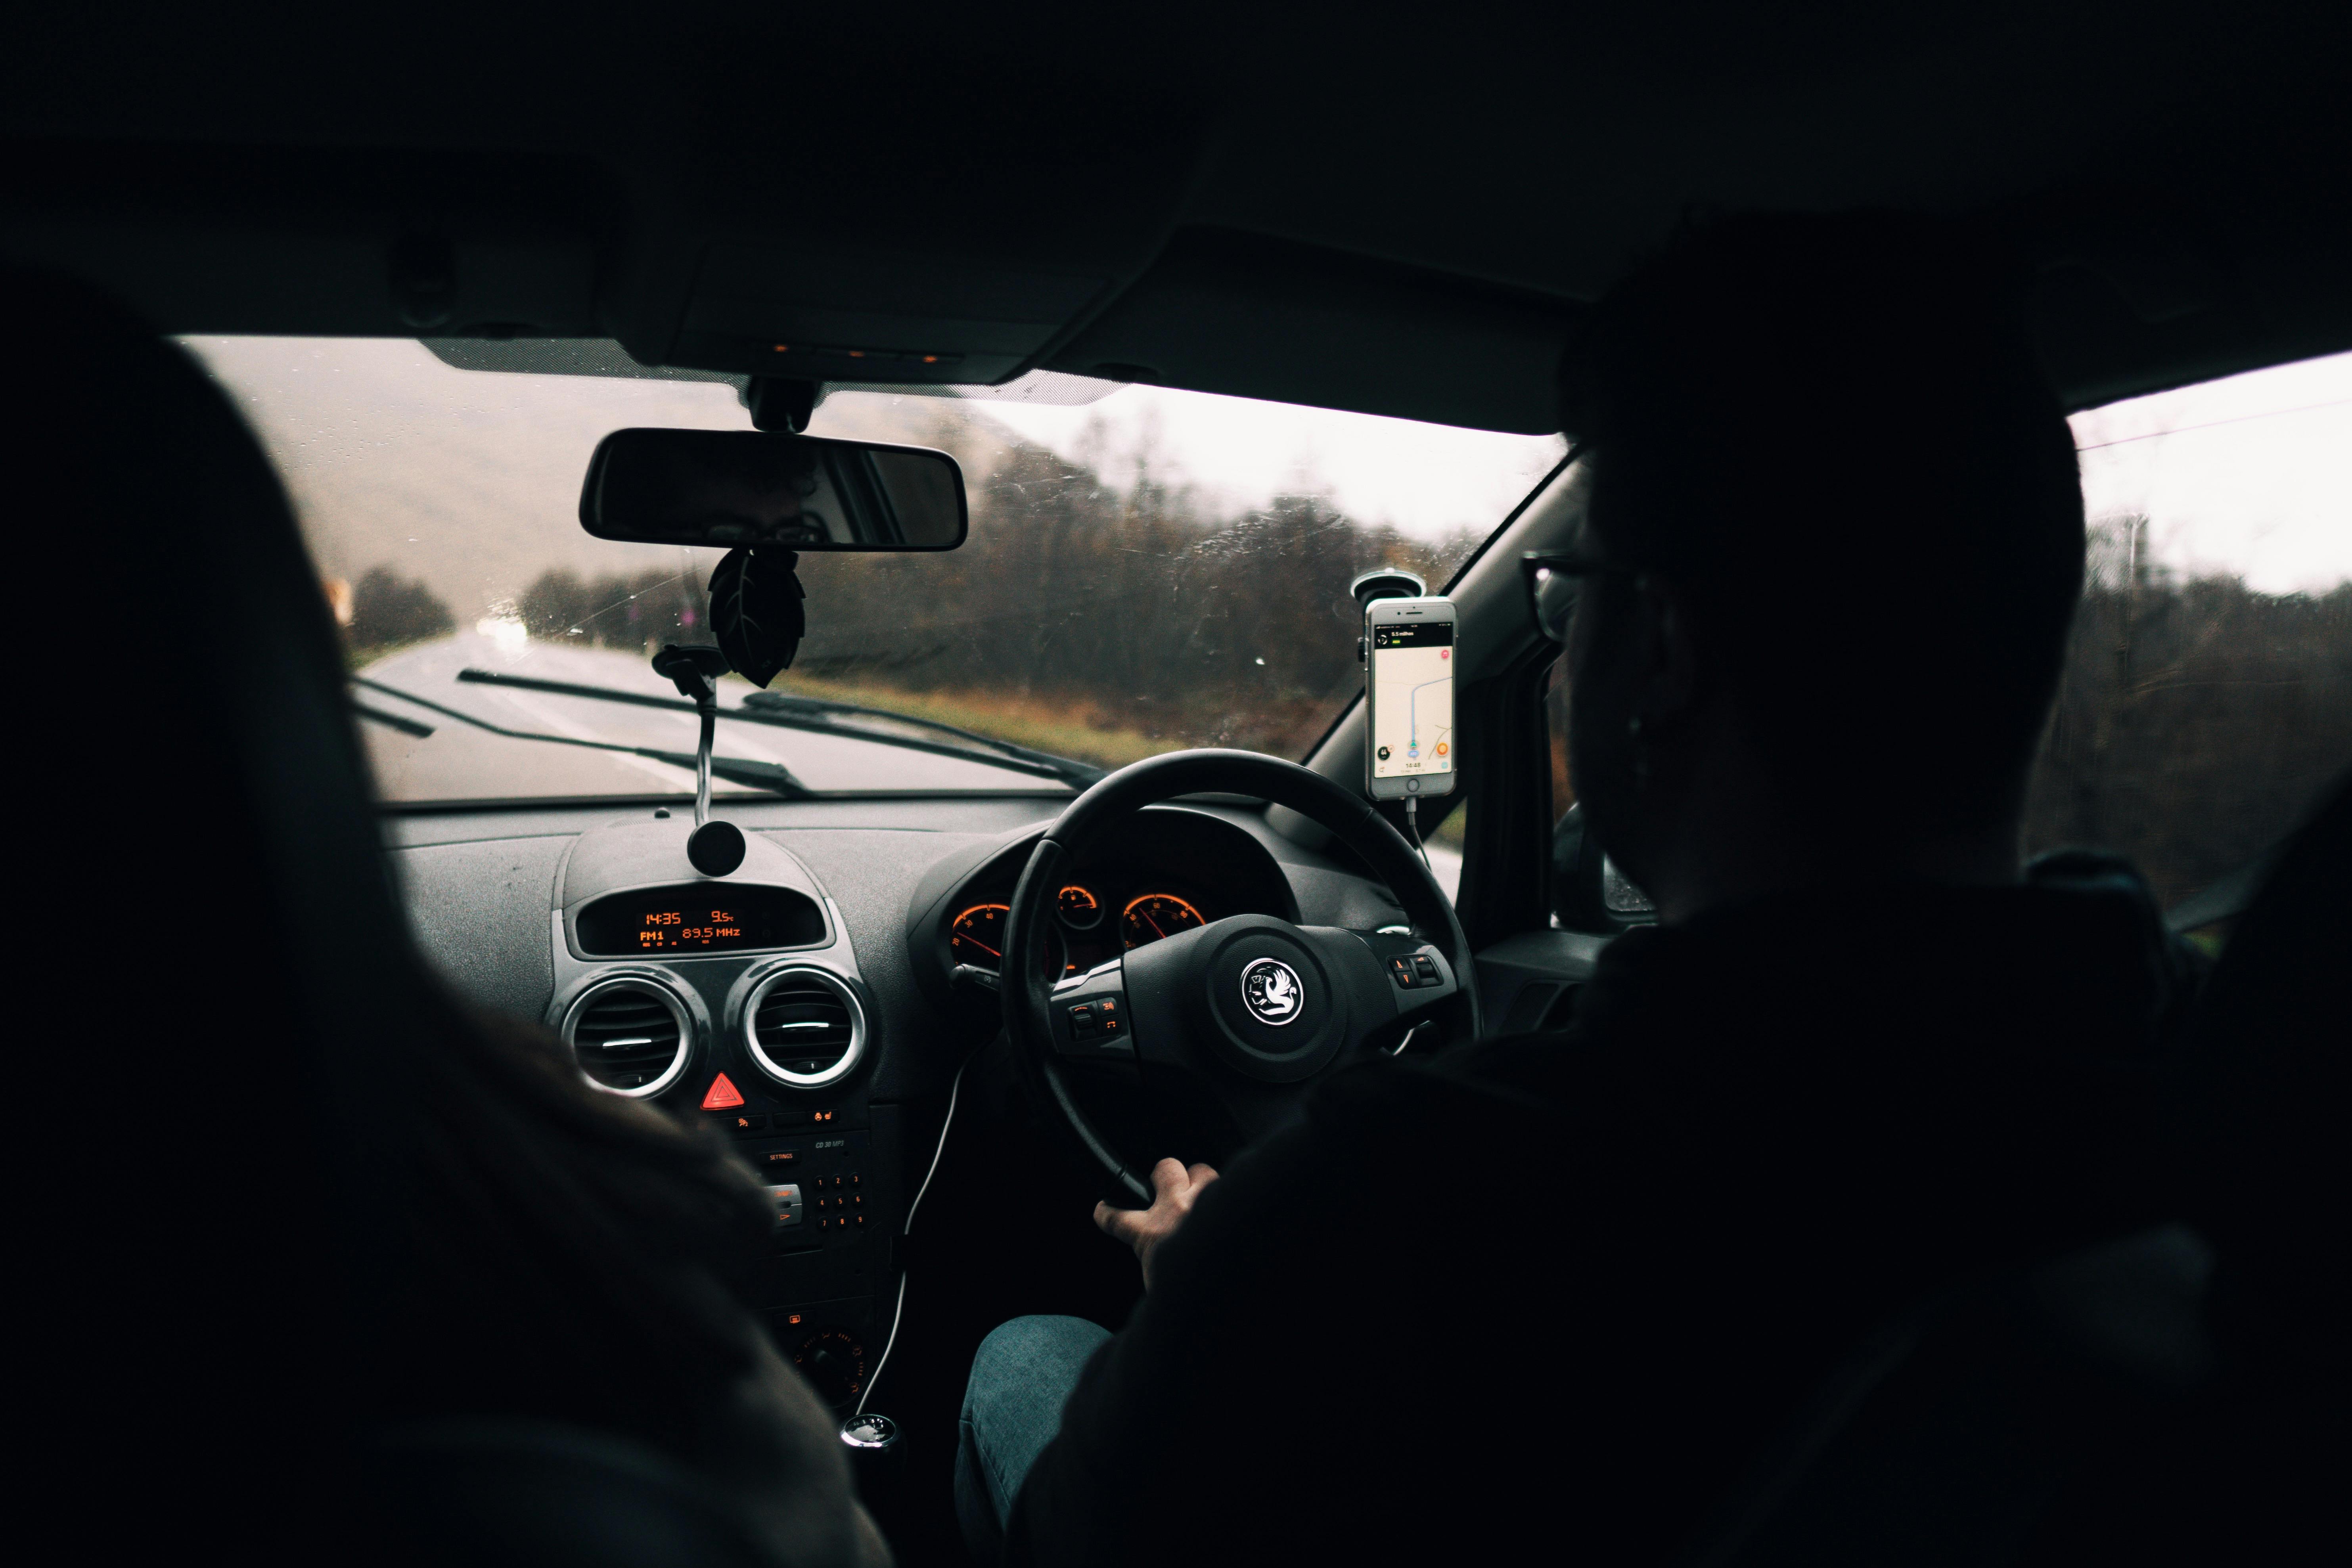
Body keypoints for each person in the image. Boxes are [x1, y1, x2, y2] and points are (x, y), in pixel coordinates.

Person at [955, 211, 2203, 1564]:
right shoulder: (2226, 1081)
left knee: (1025, 1353)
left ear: (1658, 643)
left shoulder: (1375, 1215)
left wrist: (1198, 1277)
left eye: (1567, 590)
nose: (1561, 637)